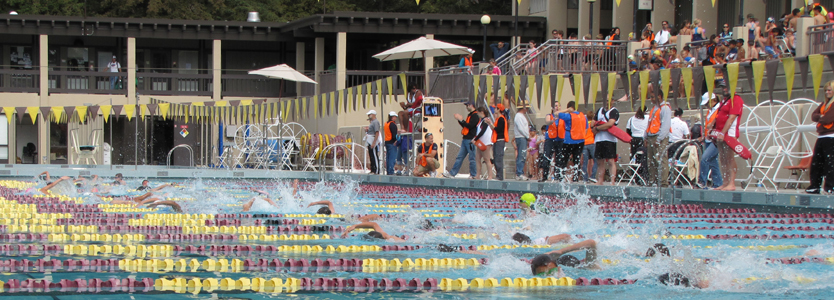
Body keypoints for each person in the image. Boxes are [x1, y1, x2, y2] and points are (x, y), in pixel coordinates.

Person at [712, 83, 743, 191]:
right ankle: (725, 182)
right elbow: (718, 115)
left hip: (729, 133)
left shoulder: (736, 100)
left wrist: (723, 133)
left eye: (726, 87)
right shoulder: (724, 100)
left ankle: (732, 183)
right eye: (722, 87)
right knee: (723, 158)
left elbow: (731, 118)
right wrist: (712, 125)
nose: (724, 89)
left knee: (729, 158)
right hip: (720, 133)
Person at [807, 81, 834, 194]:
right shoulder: (824, 104)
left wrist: (820, 117)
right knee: (817, 162)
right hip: (822, 136)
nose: (827, 92)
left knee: (830, 162)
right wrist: (821, 117)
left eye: (829, 90)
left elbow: (827, 119)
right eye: (826, 90)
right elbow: (814, 115)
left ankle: (830, 186)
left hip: (831, 136)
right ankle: (815, 185)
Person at [444, 102, 480, 179]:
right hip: (465, 139)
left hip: (470, 139)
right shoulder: (470, 115)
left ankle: (474, 174)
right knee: (459, 157)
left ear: (471, 105)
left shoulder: (475, 115)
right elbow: (465, 126)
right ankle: (452, 173)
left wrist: (462, 120)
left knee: (472, 158)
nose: (466, 107)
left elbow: (470, 126)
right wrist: (460, 121)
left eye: (467, 105)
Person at [645, 88, 672, 187]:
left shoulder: (665, 108)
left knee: (661, 159)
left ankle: (663, 183)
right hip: (651, 136)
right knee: (651, 161)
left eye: (652, 97)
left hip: (659, 138)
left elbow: (666, 125)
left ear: (659, 96)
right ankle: (653, 181)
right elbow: (650, 122)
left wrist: (659, 139)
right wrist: (646, 136)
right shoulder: (654, 108)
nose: (651, 99)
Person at [530, 239, 599, 276]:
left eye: (552, 272)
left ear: (559, 269)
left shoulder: (585, 270)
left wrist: (561, 251)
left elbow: (591, 243)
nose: (549, 277)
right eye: (543, 275)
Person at [556, 101, 587, 182]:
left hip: (569, 140)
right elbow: (586, 128)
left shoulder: (568, 116)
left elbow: (556, 113)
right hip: (580, 140)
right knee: (577, 160)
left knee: (564, 159)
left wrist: (566, 110)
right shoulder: (583, 116)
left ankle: (561, 177)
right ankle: (576, 177)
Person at [591, 101, 620, 185]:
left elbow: (610, 124)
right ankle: (600, 180)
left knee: (611, 161)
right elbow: (593, 122)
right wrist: (594, 127)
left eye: (608, 100)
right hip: (599, 139)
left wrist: (598, 128)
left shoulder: (614, 111)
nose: (606, 102)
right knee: (600, 161)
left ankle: (612, 181)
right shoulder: (600, 110)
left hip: (610, 139)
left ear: (613, 101)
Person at [698, 93, 723, 189]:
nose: (706, 106)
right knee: (713, 162)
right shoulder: (711, 110)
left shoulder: (719, 110)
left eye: (707, 103)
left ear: (713, 101)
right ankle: (718, 183)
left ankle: (702, 182)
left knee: (705, 158)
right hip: (709, 139)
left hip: (715, 139)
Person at [540, 104, 565, 182]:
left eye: (559, 106)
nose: (557, 107)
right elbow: (547, 122)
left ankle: (558, 176)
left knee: (559, 158)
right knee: (547, 157)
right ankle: (545, 176)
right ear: (552, 108)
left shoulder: (563, 117)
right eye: (556, 106)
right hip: (550, 139)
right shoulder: (549, 116)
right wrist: (553, 120)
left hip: (560, 139)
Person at [485, 104, 508, 181]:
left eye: (495, 108)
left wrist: (490, 123)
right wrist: (489, 123)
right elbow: (494, 129)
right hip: (496, 141)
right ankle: (498, 175)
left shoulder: (501, 119)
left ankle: (500, 176)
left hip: (500, 141)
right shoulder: (498, 119)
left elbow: (498, 129)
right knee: (496, 158)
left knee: (498, 158)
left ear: (498, 110)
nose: (494, 109)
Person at [473, 107, 495, 180]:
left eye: (478, 112)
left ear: (482, 112)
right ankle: (478, 175)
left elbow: (483, 131)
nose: (477, 114)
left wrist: (475, 139)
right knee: (477, 158)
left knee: (487, 159)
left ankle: (490, 176)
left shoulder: (486, 120)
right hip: (481, 142)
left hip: (486, 142)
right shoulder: (481, 121)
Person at [514, 103, 531, 181]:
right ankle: (519, 173)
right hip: (521, 137)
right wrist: (527, 136)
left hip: (522, 137)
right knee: (522, 155)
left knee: (521, 155)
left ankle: (519, 172)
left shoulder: (520, 116)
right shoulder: (519, 116)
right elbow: (521, 128)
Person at [580, 111, 597, 182]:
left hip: (584, 143)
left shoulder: (584, 124)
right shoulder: (593, 124)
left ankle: (585, 178)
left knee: (585, 162)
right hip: (592, 142)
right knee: (596, 160)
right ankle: (592, 176)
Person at [365, 110, 381, 175]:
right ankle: (372, 169)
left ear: (373, 114)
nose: (368, 116)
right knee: (371, 155)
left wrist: (374, 142)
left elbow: (377, 132)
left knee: (374, 155)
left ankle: (376, 170)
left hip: (372, 140)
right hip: (370, 140)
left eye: (370, 114)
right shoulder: (372, 122)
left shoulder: (375, 122)